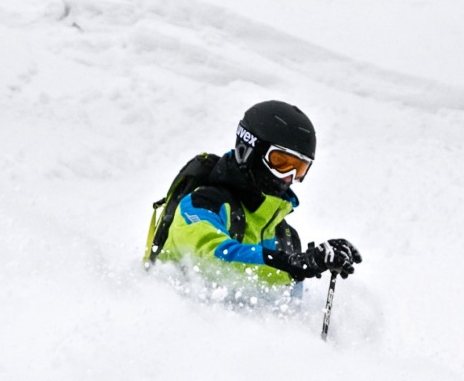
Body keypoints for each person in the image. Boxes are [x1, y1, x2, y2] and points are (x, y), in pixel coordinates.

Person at [146, 100, 360, 304]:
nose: (290, 177)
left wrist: (312, 261)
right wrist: (294, 264)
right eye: (281, 162)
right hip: (175, 332)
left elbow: (288, 317)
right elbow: (214, 255)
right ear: (249, 150)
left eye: (300, 168)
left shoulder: (285, 238)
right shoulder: (202, 203)